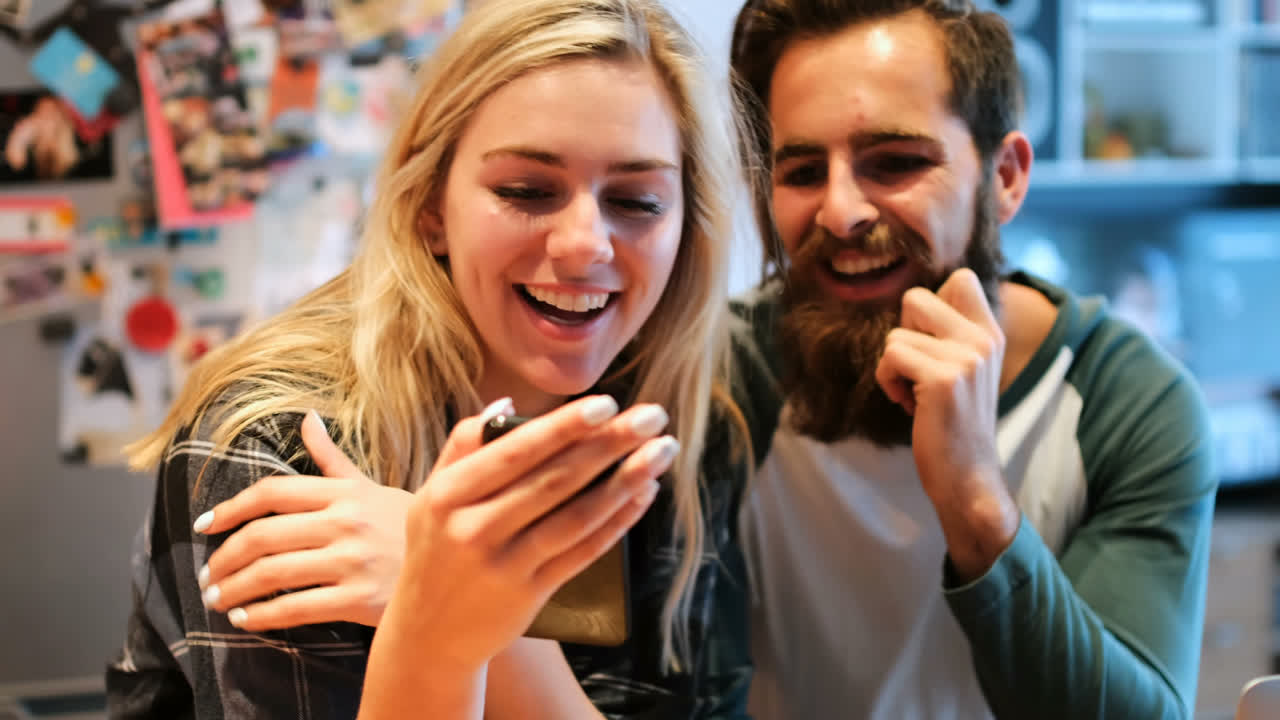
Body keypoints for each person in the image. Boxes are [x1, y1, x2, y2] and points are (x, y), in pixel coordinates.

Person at [105, 0, 759, 717]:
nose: (584, 245)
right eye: (526, 191)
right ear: (430, 207)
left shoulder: (682, 427)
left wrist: (454, 597)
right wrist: (447, 607)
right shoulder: (281, 444)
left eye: (636, 200)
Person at [727, 1, 1217, 718]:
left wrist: (975, 503)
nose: (840, 212)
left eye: (896, 163)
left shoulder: (1125, 402)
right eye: (802, 172)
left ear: (1006, 177)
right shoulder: (724, 377)